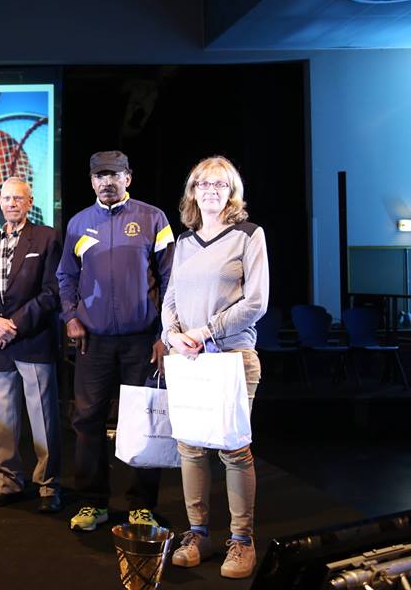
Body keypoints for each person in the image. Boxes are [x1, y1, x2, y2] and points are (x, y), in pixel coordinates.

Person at [161, 156, 268, 579]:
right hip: (187, 358)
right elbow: (170, 300)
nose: (209, 190)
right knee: (189, 447)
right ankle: (198, 533)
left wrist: (205, 332)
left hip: (231, 357)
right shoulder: (185, 242)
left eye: (219, 184)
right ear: (192, 191)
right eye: (202, 183)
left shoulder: (248, 236)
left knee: (233, 449)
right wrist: (172, 335)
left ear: (231, 192)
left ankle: (242, 542)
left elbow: (256, 303)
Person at [56, 150, 174, 532]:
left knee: (144, 421)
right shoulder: (78, 224)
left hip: (143, 341)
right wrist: (71, 316)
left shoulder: (153, 218)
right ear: (91, 181)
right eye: (99, 176)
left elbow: (172, 279)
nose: (106, 182)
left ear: (128, 178)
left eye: (114, 174)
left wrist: (163, 335)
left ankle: (142, 505)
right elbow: (65, 277)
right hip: (94, 342)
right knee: (87, 420)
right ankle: (92, 503)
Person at [0, 178, 64, 513]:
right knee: (4, 418)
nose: (11, 203)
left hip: (33, 339)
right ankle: (7, 482)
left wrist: (15, 325)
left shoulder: (47, 237)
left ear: (29, 201)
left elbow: (53, 291)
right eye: (6, 198)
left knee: (44, 418)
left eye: (18, 198)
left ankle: (48, 487)